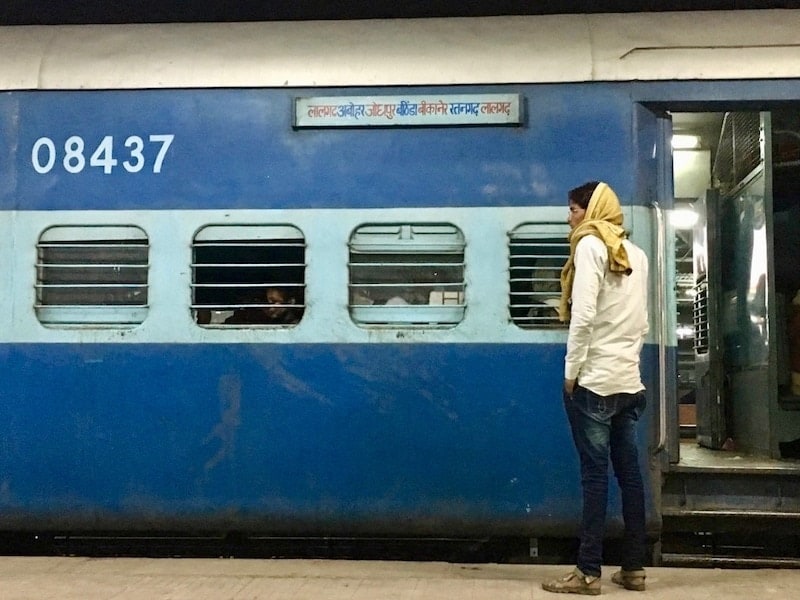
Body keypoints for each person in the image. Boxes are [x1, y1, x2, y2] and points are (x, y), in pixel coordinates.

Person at [542, 181, 649, 595]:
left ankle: (587, 573)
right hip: (628, 383)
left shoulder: (589, 247)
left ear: (591, 210)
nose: (569, 217)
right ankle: (634, 570)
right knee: (630, 477)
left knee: (594, 478)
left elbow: (583, 315)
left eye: (573, 209)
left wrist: (571, 372)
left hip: (595, 384)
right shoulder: (634, 253)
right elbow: (639, 321)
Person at [224, 286, 302, 325]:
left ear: (291, 302)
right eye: (268, 302)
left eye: (274, 302)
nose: (270, 308)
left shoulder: (296, 324)